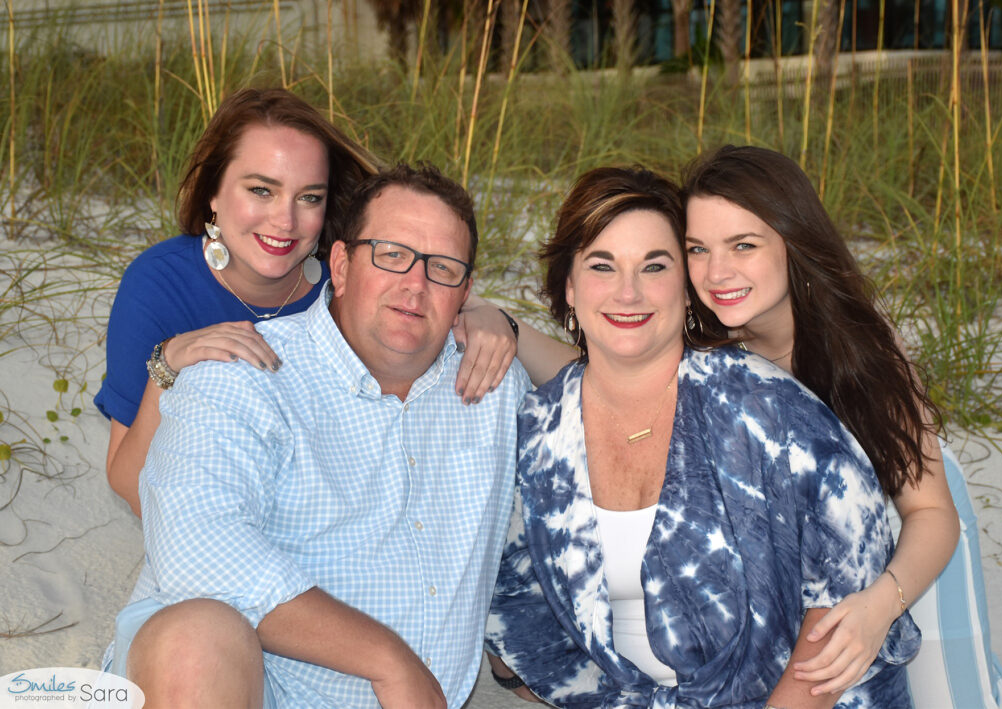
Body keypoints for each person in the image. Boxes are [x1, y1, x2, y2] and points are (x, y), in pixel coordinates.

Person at [485, 166, 920, 707]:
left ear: (687, 291)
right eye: (602, 265)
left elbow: (843, 590)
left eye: (654, 265)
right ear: (570, 287)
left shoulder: (771, 411)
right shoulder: (539, 433)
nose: (628, 291)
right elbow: (513, 595)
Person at [103, 163, 532, 708]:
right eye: (391, 254)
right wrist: (387, 658)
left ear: (466, 292)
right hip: (248, 691)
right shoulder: (244, 371)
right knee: (195, 633)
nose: (415, 284)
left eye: (442, 268)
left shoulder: (494, 386)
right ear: (342, 264)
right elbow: (199, 551)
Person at [679, 145, 1002, 707]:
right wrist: (505, 327)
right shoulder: (703, 342)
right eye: (698, 248)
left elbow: (933, 512)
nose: (717, 272)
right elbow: (592, 373)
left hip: (914, 532)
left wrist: (883, 604)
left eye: (744, 245)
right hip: (810, 551)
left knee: (949, 693)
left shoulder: (860, 349)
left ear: (794, 241)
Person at [94, 88, 519, 517]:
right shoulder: (161, 283)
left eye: (309, 197)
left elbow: (426, 285)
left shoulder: (347, 277)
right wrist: (167, 363)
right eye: (261, 190)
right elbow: (129, 484)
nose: (285, 221)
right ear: (214, 193)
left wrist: (488, 315)